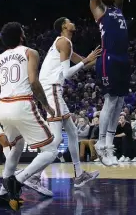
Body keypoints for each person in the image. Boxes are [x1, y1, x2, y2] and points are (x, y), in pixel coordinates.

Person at [0, 22, 57, 211]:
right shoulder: (30, 52)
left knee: (15, 147)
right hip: (22, 103)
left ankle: (3, 194)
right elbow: (34, 81)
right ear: (21, 35)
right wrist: (46, 105)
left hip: (3, 107)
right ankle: (18, 180)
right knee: (51, 150)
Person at [39, 17, 100, 187]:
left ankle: (79, 175)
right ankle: (33, 175)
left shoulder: (65, 44)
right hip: (51, 88)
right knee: (57, 139)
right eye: (70, 21)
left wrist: (102, 57)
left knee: (72, 133)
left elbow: (85, 63)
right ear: (64, 26)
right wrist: (85, 60)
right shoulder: (64, 42)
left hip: (53, 89)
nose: (73, 22)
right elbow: (67, 73)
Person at [86, 0, 130, 166]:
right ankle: (101, 144)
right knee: (110, 100)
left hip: (123, 59)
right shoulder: (99, 10)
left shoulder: (118, 7)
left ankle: (109, 146)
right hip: (109, 58)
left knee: (120, 101)